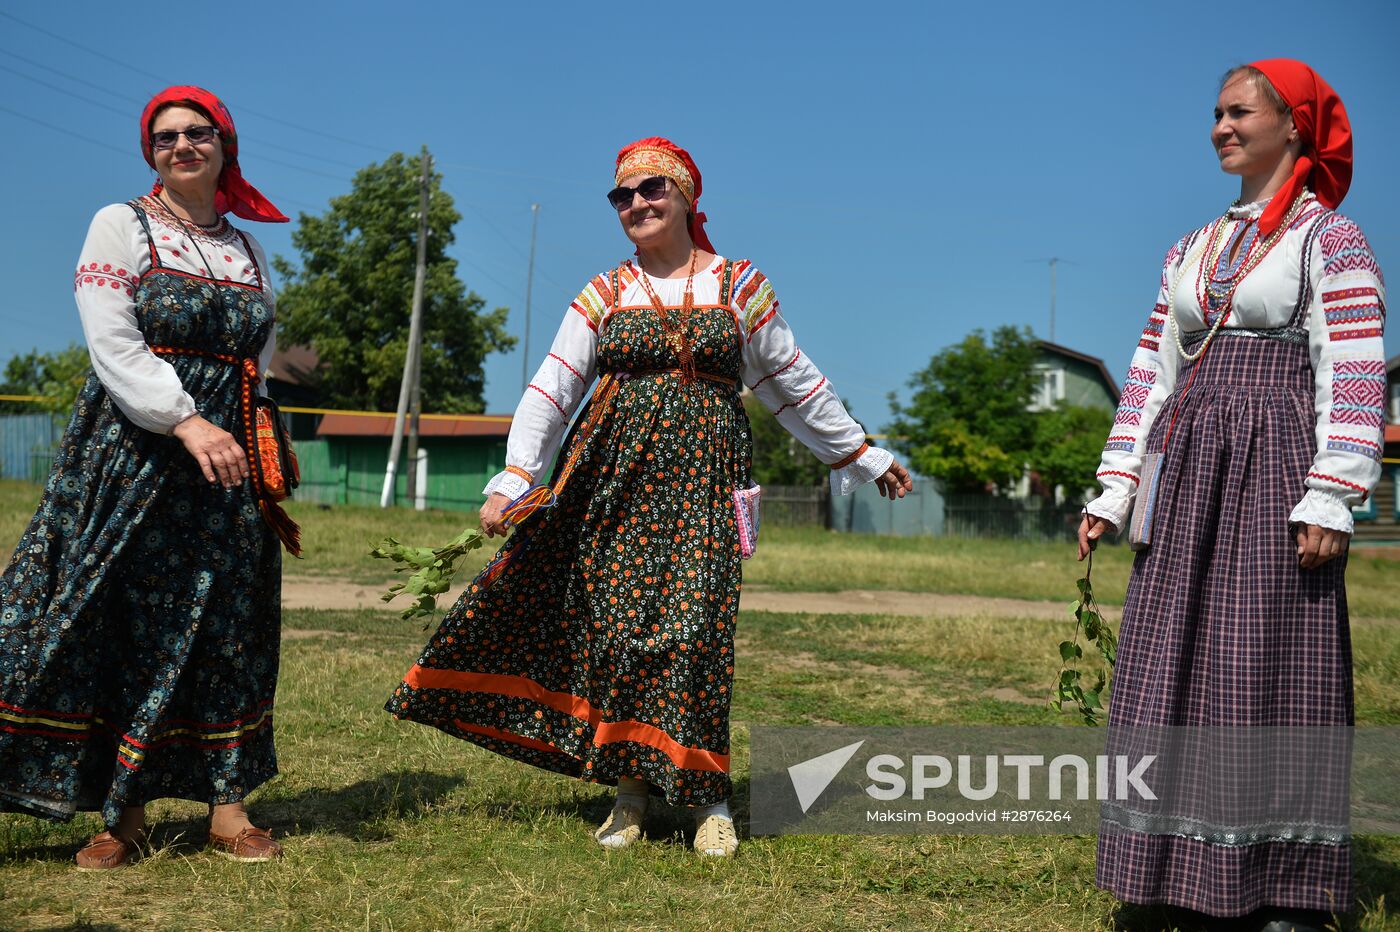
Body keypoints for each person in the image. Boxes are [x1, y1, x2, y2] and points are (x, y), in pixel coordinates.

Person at [387, 137, 912, 857]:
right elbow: (552, 387)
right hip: (611, 484)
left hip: (705, 486)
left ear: (689, 196)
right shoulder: (604, 293)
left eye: (652, 189)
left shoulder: (740, 286)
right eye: (622, 196)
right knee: (622, 631)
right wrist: (516, 477)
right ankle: (631, 790)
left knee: (695, 633)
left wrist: (861, 451)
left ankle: (707, 799)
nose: (636, 204)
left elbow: (794, 380)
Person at [1078, 60, 1385, 930]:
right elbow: (1150, 370)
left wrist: (1332, 493)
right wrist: (1114, 484)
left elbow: (1355, 370)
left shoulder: (1332, 239)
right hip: (1192, 465)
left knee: (1267, 662)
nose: (1220, 126)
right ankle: (1161, 875)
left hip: (1276, 462)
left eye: (1239, 112)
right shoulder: (1192, 247)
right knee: (1166, 658)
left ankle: (1280, 888)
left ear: (1296, 127)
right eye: (1214, 112)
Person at [0, 86, 296, 869]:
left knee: (226, 623)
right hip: (135, 451)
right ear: (150, 151)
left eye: (199, 133)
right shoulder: (119, 224)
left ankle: (229, 808)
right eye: (166, 137)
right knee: (122, 618)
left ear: (226, 146)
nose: (182, 146)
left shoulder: (249, 249)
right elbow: (113, 343)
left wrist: (256, 438)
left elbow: (254, 365)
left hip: (228, 462)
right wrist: (184, 419)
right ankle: (120, 813)